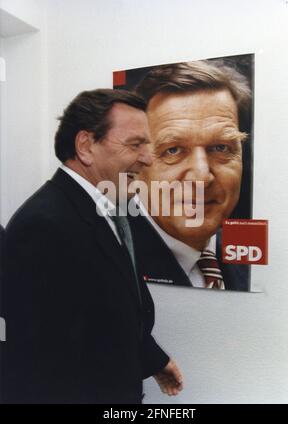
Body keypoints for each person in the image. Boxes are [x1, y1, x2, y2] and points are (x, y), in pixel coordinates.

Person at [1, 89, 183, 404]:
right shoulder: (45, 226)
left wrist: (154, 360)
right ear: (86, 146)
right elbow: (42, 361)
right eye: (135, 144)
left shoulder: (108, 208)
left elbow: (104, 313)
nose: (148, 158)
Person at [131, 60, 252, 291]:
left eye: (221, 148)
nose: (201, 176)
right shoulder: (104, 256)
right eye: (173, 150)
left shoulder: (248, 255)